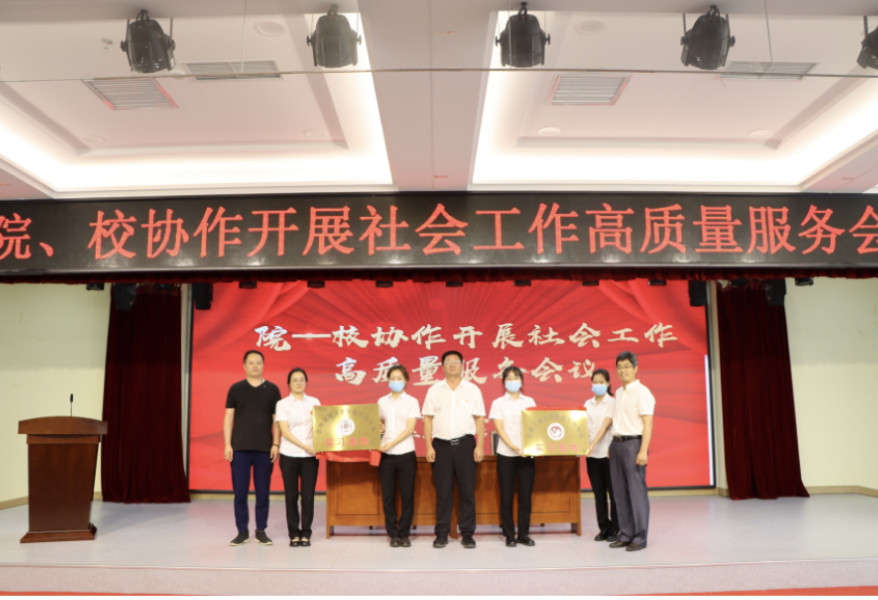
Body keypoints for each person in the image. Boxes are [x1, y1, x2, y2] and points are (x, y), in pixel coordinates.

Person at [422, 350, 486, 549]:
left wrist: (480, 445)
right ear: (442, 366)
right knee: (443, 493)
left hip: (466, 445)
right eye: (448, 361)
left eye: (455, 361)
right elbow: (427, 419)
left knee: (467, 492)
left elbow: (479, 419)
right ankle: (441, 534)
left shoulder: (472, 389)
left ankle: (467, 534)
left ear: (462, 365)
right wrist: (428, 445)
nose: (452, 364)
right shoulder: (434, 390)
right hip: (441, 446)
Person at [224, 350, 281, 547]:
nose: (255, 366)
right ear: (244, 366)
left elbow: (277, 420)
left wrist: (276, 443)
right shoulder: (236, 389)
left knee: (262, 492)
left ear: (263, 365)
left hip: (264, 448)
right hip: (239, 448)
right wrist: (227, 444)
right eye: (251, 363)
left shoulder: (272, 389)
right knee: (240, 493)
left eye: (258, 362)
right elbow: (228, 418)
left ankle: (260, 531)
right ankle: (242, 532)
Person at [608, 351, 655, 552]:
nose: (623, 370)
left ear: (635, 368)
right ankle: (625, 534)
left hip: (633, 444)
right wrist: (611, 445)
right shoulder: (619, 392)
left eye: (627, 366)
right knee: (619, 493)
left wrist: (643, 450)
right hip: (617, 444)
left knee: (636, 492)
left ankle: (640, 536)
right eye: (619, 367)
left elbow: (648, 423)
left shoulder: (643, 392)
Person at [488, 366, 537, 547]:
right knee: (506, 496)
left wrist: (530, 448)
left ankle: (523, 534)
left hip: (527, 454)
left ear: (521, 381)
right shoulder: (498, 403)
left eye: (515, 377)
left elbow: (535, 427)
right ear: (504, 382)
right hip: (506, 454)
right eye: (508, 378)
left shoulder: (529, 401)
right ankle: (509, 535)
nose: (512, 381)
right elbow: (499, 429)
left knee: (525, 497)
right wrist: (513, 447)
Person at [275, 367, 321, 548]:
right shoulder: (282, 404)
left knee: (308, 496)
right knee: (291, 496)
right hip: (289, 455)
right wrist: (305, 446)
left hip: (310, 457)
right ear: (289, 384)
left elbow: (323, 426)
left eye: (302, 379)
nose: (298, 383)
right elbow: (285, 432)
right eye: (295, 380)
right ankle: (294, 533)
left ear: (306, 382)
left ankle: (306, 533)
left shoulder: (315, 402)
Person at [377, 364, 422, 548]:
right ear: (388, 380)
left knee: (407, 495)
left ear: (406, 381)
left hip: (405, 453)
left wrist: (392, 442)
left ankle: (404, 533)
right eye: (393, 378)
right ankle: (393, 533)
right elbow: (378, 424)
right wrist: (380, 427)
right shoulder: (382, 401)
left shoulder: (412, 401)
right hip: (386, 455)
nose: (396, 381)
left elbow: (410, 428)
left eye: (399, 378)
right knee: (388, 496)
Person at [583, 368, 619, 543]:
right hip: (591, 455)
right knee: (599, 494)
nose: (597, 385)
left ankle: (615, 528)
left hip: (608, 454)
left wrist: (592, 445)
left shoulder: (613, 402)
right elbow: (581, 427)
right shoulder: (587, 404)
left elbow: (605, 427)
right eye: (595, 382)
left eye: (601, 382)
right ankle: (603, 528)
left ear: (608, 383)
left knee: (614, 494)